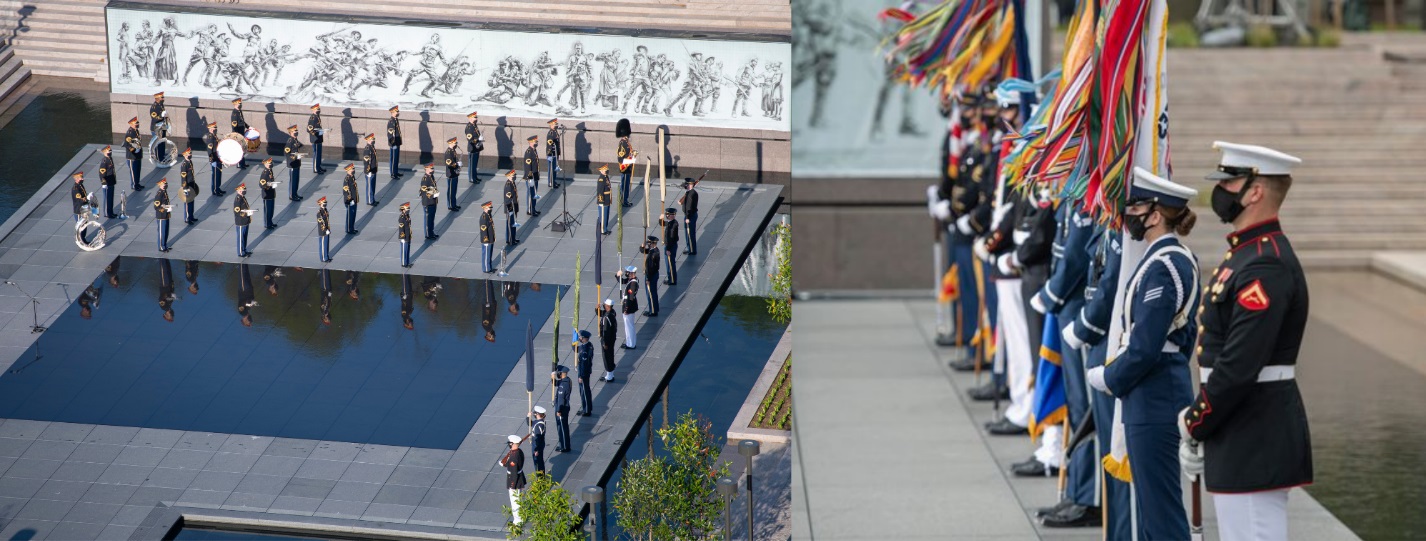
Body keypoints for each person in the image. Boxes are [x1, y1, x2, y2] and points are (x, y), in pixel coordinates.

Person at [1180, 142, 1310, 541]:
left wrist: (1197, 421)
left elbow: (1239, 364)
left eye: (1230, 182)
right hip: (1242, 427)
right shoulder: (1247, 254)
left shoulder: (1264, 263)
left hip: (1255, 430)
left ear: (1255, 192)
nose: (1221, 191)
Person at [1086, 167, 1202, 541]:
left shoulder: (1164, 265)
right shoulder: (1168, 258)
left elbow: (1146, 345)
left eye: (1136, 208)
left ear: (1155, 215)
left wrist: (1109, 377)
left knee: (1162, 515)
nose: (1129, 216)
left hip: (1154, 397)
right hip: (1156, 391)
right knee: (1154, 514)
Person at [502, 434, 527, 526]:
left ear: (512, 443)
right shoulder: (518, 452)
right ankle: (519, 518)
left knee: (515, 501)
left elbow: (513, 472)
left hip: (514, 481)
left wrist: (512, 484)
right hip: (518, 478)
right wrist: (505, 463)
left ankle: (518, 521)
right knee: (517, 500)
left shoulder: (513, 457)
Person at [553, 365, 572, 452]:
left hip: (562, 409)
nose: (558, 374)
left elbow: (561, 399)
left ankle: (564, 446)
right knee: (563, 427)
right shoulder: (567, 381)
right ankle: (564, 444)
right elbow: (556, 383)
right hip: (564, 407)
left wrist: (558, 410)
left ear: (562, 373)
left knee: (562, 428)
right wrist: (552, 378)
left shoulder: (563, 385)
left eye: (559, 373)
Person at [283, 125, 305, 201]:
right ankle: (292, 195)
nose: (296, 132)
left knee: (296, 180)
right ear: (290, 133)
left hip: (297, 163)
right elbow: (287, 153)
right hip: (292, 163)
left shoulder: (295, 140)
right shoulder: (290, 141)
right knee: (293, 180)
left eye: (296, 131)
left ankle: (295, 194)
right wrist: (295, 157)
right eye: (294, 131)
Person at [640, 236, 660, 316]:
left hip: (651, 276)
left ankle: (653, 311)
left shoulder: (652, 254)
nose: (648, 244)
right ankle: (655, 309)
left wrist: (648, 278)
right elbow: (643, 251)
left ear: (652, 243)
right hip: (654, 275)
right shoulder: (655, 251)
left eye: (649, 243)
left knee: (650, 294)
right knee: (654, 292)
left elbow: (650, 268)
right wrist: (642, 246)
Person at [204, 122, 226, 196]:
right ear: (210, 129)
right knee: (215, 175)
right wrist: (212, 160)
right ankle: (215, 190)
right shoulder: (210, 137)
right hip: (214, 159)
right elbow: (209, 150)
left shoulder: (214, 136)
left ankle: (218, 188)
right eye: (214, 128)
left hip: (218, 158)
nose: (215, 129)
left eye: (215, 128)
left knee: (219, 174)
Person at [178, 148, 198, 225]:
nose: (190, 155)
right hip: (187, 186)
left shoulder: (190, 162)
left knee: (191, 201)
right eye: (189, 154)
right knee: (187, 202)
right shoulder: (184, 165)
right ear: (185, 155)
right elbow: (183, 178)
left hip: (191, 185)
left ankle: (191, 216)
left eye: (190, 154)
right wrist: (185, 188)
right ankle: (187, 218)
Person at [620, 266, 639, 349]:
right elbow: (622, 281)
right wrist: (618, 275)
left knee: (629, 327)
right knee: (629, 326)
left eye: (628, 272)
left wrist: (626, 309)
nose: (626, 273)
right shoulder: (631, 281)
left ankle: (631, 344)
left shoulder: (633, 284)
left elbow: (630, 299)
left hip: (629, 308)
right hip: (629, 307)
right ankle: (630, 342)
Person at [678, 179, 699, 255]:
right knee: (688, 233)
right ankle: (689, 248)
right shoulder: (691, 192)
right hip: (690, 215)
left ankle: (692, 250)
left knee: (690, 234)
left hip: (690, 216)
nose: (685, 186)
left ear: (690, 185)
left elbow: (689, 207)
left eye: (687, 184)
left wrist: (687, 217)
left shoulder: (691, 194)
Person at [124, 117, 145, 190]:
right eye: (136, 123)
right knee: (133, 172)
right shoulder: (130, 133)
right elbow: (127, 145)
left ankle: (137, 183)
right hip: (132, 156)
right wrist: (134, 149)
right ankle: (134, 185)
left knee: (137, 170)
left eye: (137, 123)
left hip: (137, 155)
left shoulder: (136, 131)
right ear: (131, 124)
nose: (137, 124)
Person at [419, 163, 439, 240]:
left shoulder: (431, 176)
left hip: (433, 201)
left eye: (433, 168)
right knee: (428, 219)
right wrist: (433, 195)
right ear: (426, 169)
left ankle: (431, 232)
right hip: (428, 202)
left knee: (432, 218)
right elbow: (424, 191)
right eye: (431, 168)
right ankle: (428, 234)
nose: (432, 170)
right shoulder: (425, 179)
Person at [576, 330, 594, 416]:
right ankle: (586, 408)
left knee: (584, 391)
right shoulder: (589, 345)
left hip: (584, 373)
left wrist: (581, 376)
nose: (579, 338)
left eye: (580, 337)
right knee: (585, 390)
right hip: (586, 372)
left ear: (584, 339)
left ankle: (586, 410)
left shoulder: (584, 351)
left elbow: (583, 364)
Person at [599, 299, 617, 381]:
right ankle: (611, 373)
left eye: (605, 305)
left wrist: (605, 343)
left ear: (608, 306)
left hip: (607, 340)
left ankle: (609, 376)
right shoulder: (612, 312)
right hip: (612, 339)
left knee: (606, 357)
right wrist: (597, 310)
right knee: (610, 355)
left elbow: (606, 331)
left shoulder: (607, 318)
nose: (604, 305)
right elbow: (601, 313)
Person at [660, 208, 679, 285]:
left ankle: (672, 280)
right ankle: (670, 278)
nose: (667, 216)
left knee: (670, 264)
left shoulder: (673, 225)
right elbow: (663, 224)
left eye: (668, 214)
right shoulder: (671, 222)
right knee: (669, 264)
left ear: (672, 215)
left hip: (670, 247)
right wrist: (660, 219)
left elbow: (670, 238)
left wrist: (668, 249)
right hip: (670, 246)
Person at [258, 158, 278, 229]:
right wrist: (269, 185)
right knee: (267, 211)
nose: (270, 165)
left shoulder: (270, 171)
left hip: (271, 193)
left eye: (270, 164)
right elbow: (261, 185)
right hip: (267, 194)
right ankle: (267, 223)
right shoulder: (265, 173)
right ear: (265, 164)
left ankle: (270, 222)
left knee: (271, 210)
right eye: (269, 164)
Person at [523, 136, 541, 217]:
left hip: (535, 174)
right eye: (535, 141)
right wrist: (530, 177)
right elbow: (527, 165)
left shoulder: (534, 150)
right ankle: (530, 210)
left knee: (534, 193)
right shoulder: (529, 152)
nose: (536, 143)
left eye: (536, 141)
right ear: (530, 142)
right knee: (531, 193)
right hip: (531, 176)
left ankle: (533, 208)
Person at [153, 178, 172, 252]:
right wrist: (165, 208)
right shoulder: (159, 194)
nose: (165, 185)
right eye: (164, 184)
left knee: (166, 232)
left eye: (166, 184)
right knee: (162, 232)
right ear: (160, 185)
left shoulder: (164, 192)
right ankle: (161, 246)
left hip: (166, 215)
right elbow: (156, 206)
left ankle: (165, 245)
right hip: (161, 216)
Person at [98, 146, 118, 218]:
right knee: (107, 199)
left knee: (110, 198)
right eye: (108, 151)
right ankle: (107, 213)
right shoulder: (104, 161)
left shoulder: (110, 159)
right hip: (107, 182)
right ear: (105, 152)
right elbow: (102, 173)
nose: (110, 152)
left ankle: (111, 211)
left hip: (111, 181)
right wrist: (104, 183)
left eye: (110, 151)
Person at [616, 132, 635, 206]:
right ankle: (623, 201)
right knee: (624, 185)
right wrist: (630, 161)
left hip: (628, 167)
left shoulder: (626, 142)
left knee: (626, 184)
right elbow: (620, 159)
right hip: (625, 167)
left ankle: (625, 199)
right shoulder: (622, 143)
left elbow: (628, 153)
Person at [306, 103, 326, 174]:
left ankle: (319, 166)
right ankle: (316, 168)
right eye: (317, 109)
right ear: (313, 110)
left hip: (319, 138)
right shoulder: (313, 118)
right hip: (315, 138)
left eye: (319, 109)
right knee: (316, 154)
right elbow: (309, 129)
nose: (319, 110)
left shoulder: (317, 116)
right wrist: (316, 132)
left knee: (319, 154)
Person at [149, 92, 168, 165]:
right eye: (162, 97)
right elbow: (154, 118)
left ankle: (162, 156)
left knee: (162, 142)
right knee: (157, 144)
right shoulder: (154, 107)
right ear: (157, 99)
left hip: (161, 127)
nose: (163, 99)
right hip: (156, 128)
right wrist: (161, 116)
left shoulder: (161, 104)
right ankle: (158, 159)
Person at [233, 183, 252, 257]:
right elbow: (237, 212)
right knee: (241, 238)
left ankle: (244, 249)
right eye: (242, 190)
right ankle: (240, 252)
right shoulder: (238, 199)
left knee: (244, 237)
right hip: (241, 221)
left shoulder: (242, 197)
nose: (244, 191)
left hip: (245, 221)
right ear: (239, 191)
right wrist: (246, 213)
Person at [464, 112, 483, 183]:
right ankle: (471, 178)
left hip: (476, 148)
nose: (476, 119)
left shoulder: (474, 125)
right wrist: (478, 139)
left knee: (475, 164)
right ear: (470, 118)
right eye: (475, 117)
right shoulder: (469, 127)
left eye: (476, 117)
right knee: (472, 165)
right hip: (472, 148)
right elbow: (470, 139)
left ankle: (475, 177)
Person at [444, 138, 461, 212]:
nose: (456, 144)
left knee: (454, 190)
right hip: (451, 174)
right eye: (455, 143)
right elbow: (449, 164)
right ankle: (451, 205)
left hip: (454, 173)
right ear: (450, 143)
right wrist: (457, 164)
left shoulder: (453, 151)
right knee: (451, 191)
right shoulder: (448, 152)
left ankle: (454, 204)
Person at [230, 98, 249, 169]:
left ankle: (242, 163)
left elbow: (242, 122)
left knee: (242, 149)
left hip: (241, 133)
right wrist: (236, 136)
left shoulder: (239, 111)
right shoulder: (235, 114)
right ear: (235, 104)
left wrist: (248, 127)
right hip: (238, 134)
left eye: (241, 103)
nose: (240, 105)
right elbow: (234, 126)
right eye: (239, 103)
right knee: (240, 149)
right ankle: (240, 164)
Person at [341, 163, 359, 234]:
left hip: (354, 199)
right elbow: (346, 191)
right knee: (350, 215)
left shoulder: (352, 177)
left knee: (353, 214)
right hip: (350, 201)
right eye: (352, 169)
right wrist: (350, 200)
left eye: (353, 168)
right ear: (348, 170)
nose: (353, 170)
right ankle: (348, 229)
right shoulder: (347, 179)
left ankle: (352, 227)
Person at [503, 170, 520, 246]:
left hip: (514, 207)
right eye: (513, 176)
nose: (515, 177)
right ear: (509, 176)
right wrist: (511, 210)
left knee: (513, 224)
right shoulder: (508, 186)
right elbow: (508, 200)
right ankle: (510, 240)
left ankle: (513, 238)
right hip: (510, 208)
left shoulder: (512, 183)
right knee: (510, 224)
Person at [529, 406, 547, 474]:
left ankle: (540, 480)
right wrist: (528, 417)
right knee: (537, 463)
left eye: (535, 413)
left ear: (538, 414)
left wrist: (537, 450)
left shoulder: (539, 425)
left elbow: (538, 438)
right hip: (536, 444)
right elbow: (531, 424)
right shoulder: (538, 422)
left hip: (537, 445)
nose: (534, 414)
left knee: (538, 464)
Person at [362, 133, 380, 205]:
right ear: (368, 140)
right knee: (369, 187)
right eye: (372, 139)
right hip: (370, 171)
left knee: (372, 186)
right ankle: (370, 201)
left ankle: (372, 199)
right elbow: (366, 162)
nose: (373, 140)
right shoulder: (367, 149)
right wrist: (367, 171)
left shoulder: (371, 147)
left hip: (373, 169)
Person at [387, 106, 404, 179]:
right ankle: (393, 174)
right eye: (396, 112)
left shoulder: (395, 120)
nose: (398, 113)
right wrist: (392, 144)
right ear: (392, 112)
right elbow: (390, 134)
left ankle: (396, 171)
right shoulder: (392, 121)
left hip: (397, 142)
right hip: (394, 143)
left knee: (396, 158)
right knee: (393, 159)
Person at [480, 201, 496, 273]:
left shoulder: (488, 215)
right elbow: (483, 230)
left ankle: (489, 267)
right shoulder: (483, 218)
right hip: (486, 239)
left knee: (489, 254)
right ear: (485, 208)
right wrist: (485, 240)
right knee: (486, 254)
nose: (490, 209)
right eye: (489, 208)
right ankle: (486, 269)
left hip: (490, 238)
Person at [596, 164, 612, 234]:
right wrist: (601, 201)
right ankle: (602, 230)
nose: (606, 171)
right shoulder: (601, 179)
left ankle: (605, 228)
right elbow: (600, 191)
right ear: (601, 170)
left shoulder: (606, 177)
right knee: (603, 216)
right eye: (605, 170)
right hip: (603, 199)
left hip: (607, 199)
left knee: (606, 215)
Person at [315, 197, 331, 262]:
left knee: (326, 244)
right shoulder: (319, 213)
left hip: (327, 230)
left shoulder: (325, 210)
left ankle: (326, 256)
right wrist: (325, 230)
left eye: (325, 203)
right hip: (323, 231)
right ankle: (323, 258)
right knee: (323, 245)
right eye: (324, 203)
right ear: (321, 204)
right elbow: (321, 223)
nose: (325, 204)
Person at [545, 118, 561, 187]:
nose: (556, 125)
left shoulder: (555, 132)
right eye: (555, 124)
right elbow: (550, 145)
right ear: (551, 125)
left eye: (556, 124)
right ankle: (551, 182)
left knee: (554, 169)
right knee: (551, 169)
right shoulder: (551, 133)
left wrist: (558, 153)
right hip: (551, 154)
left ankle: (553, 181)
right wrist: (550, 154)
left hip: (555, 153)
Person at [397, 202, 412, 268]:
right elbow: (401, 229)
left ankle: (407, 262)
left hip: (408, 236)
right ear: (403, 210)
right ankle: (404, 263)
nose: (408, 210)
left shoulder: (407, 216)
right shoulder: (402, 218)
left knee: (407, 250)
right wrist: (402, 237)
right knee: (404, 251)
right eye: (407, 209)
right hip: (404, 237)